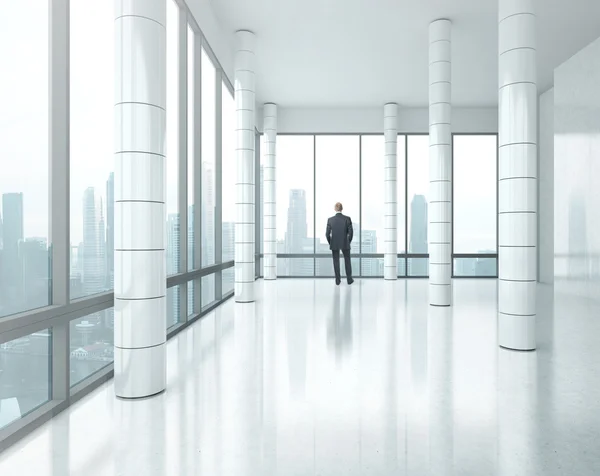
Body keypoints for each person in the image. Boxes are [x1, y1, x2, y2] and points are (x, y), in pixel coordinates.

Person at [326, 202, 354, 285]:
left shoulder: (330, 220)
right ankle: (349, 280)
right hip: (345, 242)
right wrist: (348, 241)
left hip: (334, 243)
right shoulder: (347, 218)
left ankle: (337, 280)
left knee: (336, 261)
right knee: (347, 260)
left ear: (335, 209)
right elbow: (351, 232)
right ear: (342, 209)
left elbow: (327, 234)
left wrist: (331, 242)